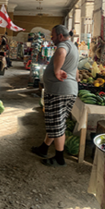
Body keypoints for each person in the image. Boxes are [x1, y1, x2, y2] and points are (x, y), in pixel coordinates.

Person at [31, 25, 79, 167]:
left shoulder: (63, 45)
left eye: (52, 35)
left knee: (57, 125)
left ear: (60, 35)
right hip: (68, 90)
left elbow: (61, 53)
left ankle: (59, 158)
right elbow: (76, 70)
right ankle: (44, 148)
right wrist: (75, 78)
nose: (51, 38)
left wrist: (57, 70)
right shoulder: (74, 46)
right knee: (56, 123)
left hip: (59, 91)